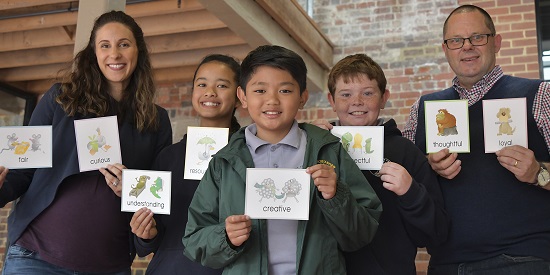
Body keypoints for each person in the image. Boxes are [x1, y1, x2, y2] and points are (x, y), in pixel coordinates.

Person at [182, 45, 382, 274]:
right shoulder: (224, 161)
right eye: (260, 91)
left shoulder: (328, 150)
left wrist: (335, 196)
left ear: (302, 97)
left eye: (285, 91)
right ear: (242, 96)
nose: (272, 101)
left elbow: (363, 233)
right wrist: (225, 237)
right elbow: (193, 239)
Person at [0, 11, 172, 274]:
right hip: (35, 258)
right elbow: (24, 170)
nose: (114, 54)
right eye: (105, 46)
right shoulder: (60, 99)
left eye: (123, 44)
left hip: (108, 265)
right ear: (93, 53)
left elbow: (155, 199)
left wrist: (133, 192)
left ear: (139, 51)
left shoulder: (156, 120)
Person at [403, 4, 550, 274]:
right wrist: (427, 166)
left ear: (496, 42)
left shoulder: (539, 95)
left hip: (523, 259)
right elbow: (404, 180)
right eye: (456, 40)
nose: (467, 46)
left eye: (477, 37)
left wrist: (539, 171)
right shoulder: (424, 109)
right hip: (446, 264)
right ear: (445, 49)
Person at [313, 53, 449, 274]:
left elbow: (435, 234)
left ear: (384, 98)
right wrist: (310, 142)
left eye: (368, 93)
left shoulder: (406, 152)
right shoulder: (318, 147)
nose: (356, 102)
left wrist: (411, 192)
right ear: (332, 101)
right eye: (346, 94)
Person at [130, 54, 242, 275]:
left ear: (239, 96)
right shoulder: (168, 157)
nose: (210, 92)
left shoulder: (250, 156)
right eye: (202, 84)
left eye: (221, 85)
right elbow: (149, 240)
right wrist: (146, 232)